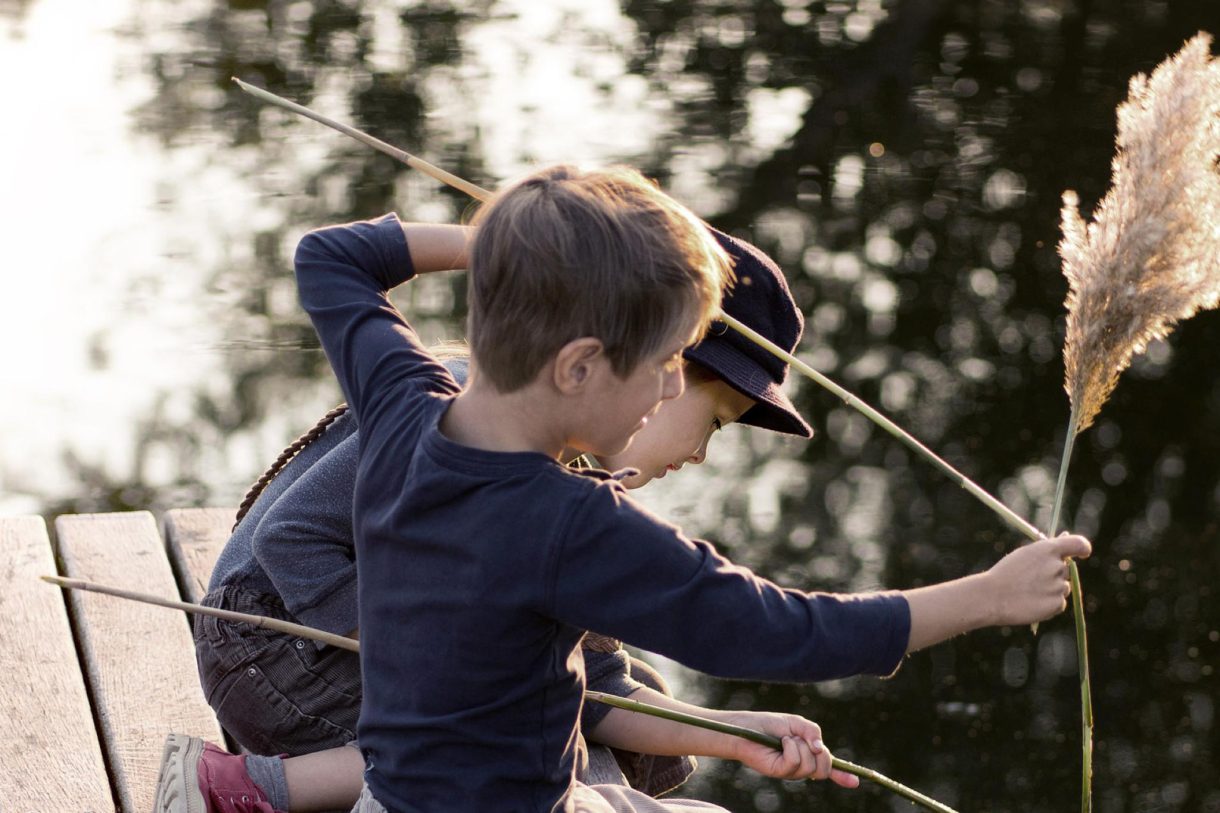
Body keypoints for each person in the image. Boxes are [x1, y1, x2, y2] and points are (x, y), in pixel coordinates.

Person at [162, 164, 1088, 813]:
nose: (672, 386)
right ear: (578, 366)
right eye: (668, 362)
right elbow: (784, 628)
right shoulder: (569, 523)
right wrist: (987, 595)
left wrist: (507, 249)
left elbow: (331, 256)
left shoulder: (406, 401)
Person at [156, 213, 838, 813]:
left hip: (319, 654)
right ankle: (246, 789)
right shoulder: (461, 420)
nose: (700, 455)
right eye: (713, 422)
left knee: (597, 689)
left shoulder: (572, 489)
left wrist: (738, 733)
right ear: (653, 359)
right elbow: (291, 540)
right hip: (270, 648)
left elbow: (602, 687)